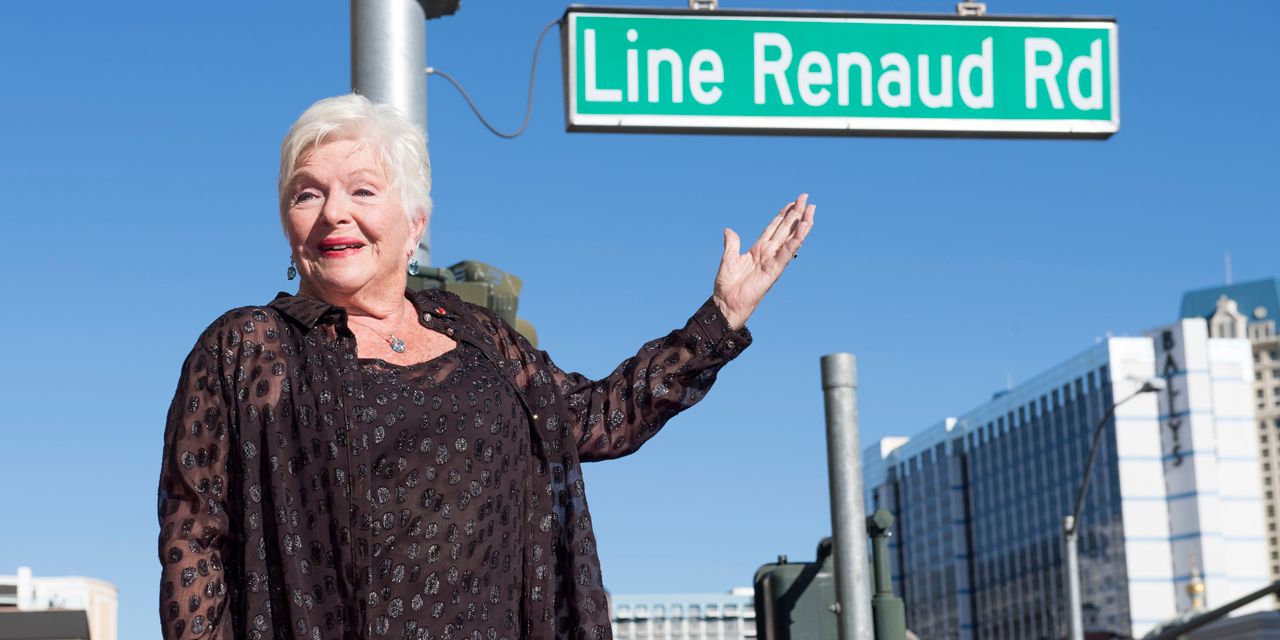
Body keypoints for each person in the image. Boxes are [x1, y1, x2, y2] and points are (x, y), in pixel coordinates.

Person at [158, 93, 814, 640]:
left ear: (414, 224)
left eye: (362, 189)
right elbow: (195, 541)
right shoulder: (247, 346)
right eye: (308, 194)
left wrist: (721, 317)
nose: (334, 212)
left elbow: (597, 418)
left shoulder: (478, 337)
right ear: (287, 222)